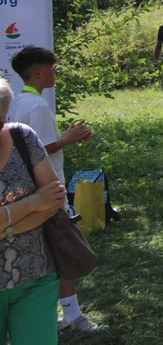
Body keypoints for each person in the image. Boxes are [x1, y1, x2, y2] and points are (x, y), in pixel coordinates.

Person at [8, 47, 99, 333]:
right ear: (38, 72)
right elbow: (41, 150)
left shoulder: (17, 103)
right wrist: (69, 138)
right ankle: (71, 315)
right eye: (52, 68)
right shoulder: (39, 107)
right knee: (64, 251)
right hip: (49, 187)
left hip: (25, 190)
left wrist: (66, 137)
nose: (54, 73)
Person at [0, 78, 68, 345]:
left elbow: (54, 199)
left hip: (37, 276)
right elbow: (41, 201)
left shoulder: (22, 137)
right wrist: (30, 204)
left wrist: (6, 225)